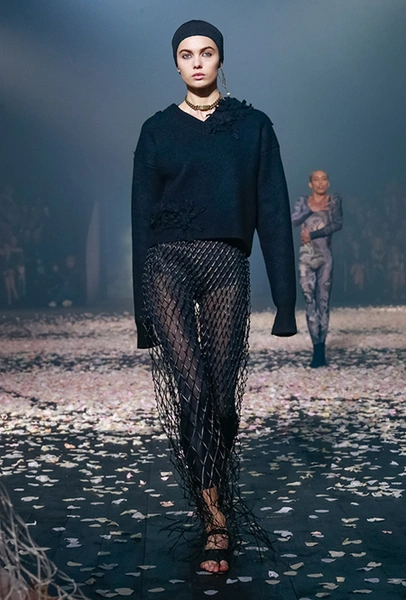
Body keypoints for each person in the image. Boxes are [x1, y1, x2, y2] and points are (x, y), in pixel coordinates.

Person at [131, 20, 297, 573]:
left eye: (206, 52)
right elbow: (140, 218)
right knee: (195, 393)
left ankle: (214, 490)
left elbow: (273, 208)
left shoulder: (252, 126)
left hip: (226, 262)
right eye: (186, 54)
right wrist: (142, 313)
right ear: (175, 63)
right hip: (167, 264)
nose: (197, 61)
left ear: (221, 59)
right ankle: (214, 521)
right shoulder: (156, 130)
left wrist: (285, 301)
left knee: (222, 402)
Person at [291, 171, 343, 367]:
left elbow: (337, 223)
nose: (321, 182)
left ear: (328, 183)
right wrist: (310, 210)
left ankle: (321, 349)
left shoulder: (333, 200)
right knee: (309, 301)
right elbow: (292, 221)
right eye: (316, 179)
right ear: (310, 184)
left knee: (323, 302)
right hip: (306, 258)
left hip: (324, 257)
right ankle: (316, 349)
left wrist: (313, 235)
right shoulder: (303, 202)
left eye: (324, 179)